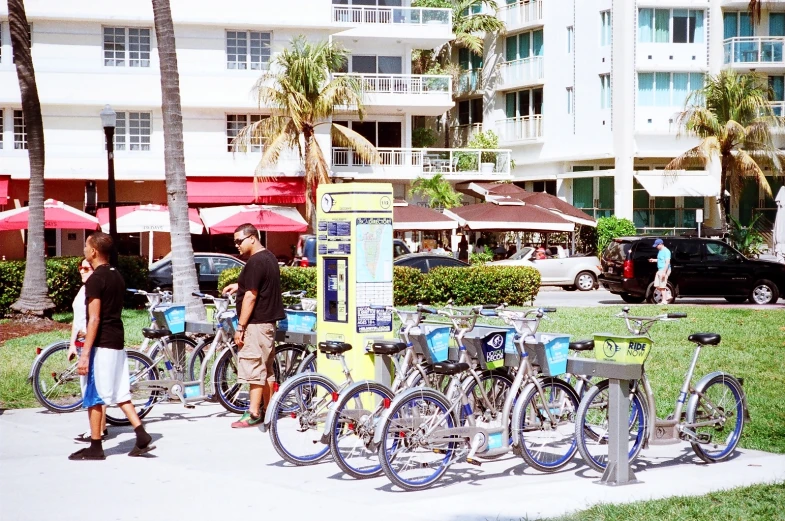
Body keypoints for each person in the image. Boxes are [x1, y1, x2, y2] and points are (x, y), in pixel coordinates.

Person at [70, 232, 155, 460]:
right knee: (120, 392)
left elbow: (94, 318)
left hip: (101, 344)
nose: (84, 250)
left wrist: (85, 354)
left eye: (86, 246)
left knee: (94, 395)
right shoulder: (116, 275)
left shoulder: (95, 279)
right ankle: (141, 434)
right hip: (117, 342)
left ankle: (96, 446)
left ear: (94, 251)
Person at [222, 223, 285, 428]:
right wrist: (238, 286)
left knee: (254, 369)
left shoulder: (256, 262)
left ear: (252, 238)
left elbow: (251, 295)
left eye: (239, 241)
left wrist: (240, 327)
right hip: (267, 325)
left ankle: (254, 412)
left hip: (256, 325)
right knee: (266, 370)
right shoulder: (269, 258)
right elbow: (255, 286)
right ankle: (270, 410)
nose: (237, 246)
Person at [68, 258, 108, 443]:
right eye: (80, 268)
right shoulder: (83, 290)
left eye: (86, 268)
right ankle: (99, 428)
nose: (82, 271)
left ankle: (98, 431)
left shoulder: (93, 291)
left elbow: (95, 320)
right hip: (80, 342)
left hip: (90, 343)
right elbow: (76, 321)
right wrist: (71, 344)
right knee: (89, 386)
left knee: (93, 387)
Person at [649, 238, 672, 303]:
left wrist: (664, 272)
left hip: (664, 269)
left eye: (657, 245)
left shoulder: (666, 251)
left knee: (662, 285)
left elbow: (667, 262)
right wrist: (654, 260)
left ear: (661, 244)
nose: (656, 247)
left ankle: (664, 300)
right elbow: (660, 260)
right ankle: (667, 295)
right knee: (656, 285)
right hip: (659, 269)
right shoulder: (660, 251)